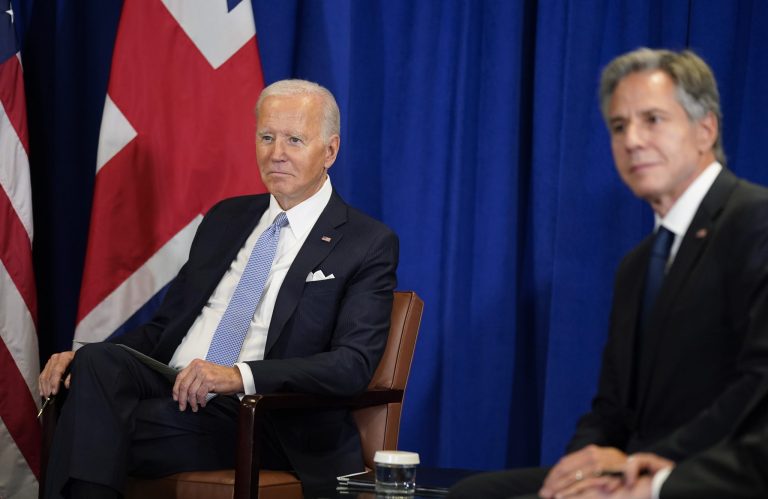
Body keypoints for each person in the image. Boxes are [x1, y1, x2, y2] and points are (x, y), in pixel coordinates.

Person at [39, 79, 399, 499]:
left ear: (330, 151)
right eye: (266, 137)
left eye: (294, 140)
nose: (276, 153)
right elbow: (163, 330)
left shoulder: (365, 241)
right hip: (174, 387)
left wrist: (237, 376)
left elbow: (351, 364)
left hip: (259, 414)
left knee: (91, 424)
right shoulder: (226, 218)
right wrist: (80, 360)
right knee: (96, 362)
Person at [449, 48, 768, 499]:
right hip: (628, 469)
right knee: (474, 493)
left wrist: (643, 471)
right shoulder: (637, 264)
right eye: (619, 127)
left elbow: (757, 388)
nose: (632, 140)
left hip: (707, 472)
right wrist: (578, 470)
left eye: (652, 119)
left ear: (705, 129)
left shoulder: (755, 221)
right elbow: (611, 408)